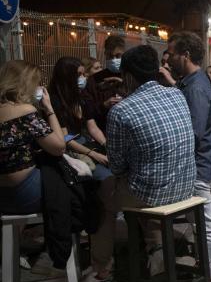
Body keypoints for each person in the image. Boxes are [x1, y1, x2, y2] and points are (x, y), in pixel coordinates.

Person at [80, 45, 195, 282]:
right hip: (186, 188)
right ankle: (158, 260)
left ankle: (102, 268)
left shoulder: (122, 110)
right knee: (146, 185)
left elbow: (118, 165)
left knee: (102, 194)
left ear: (128, 76)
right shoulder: (177, 95)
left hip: (151, 194)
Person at [166, 32, 211, 282]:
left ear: (185, 55)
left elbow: (195, 130)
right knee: (201, 223)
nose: (169, 59)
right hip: (196, 164)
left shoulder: (196, 86)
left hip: (197, 165)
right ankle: (206, 273)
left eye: (172, 54)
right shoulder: (190, 82)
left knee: (204, 224)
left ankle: (209, 280)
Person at [0, 61, 66, 214]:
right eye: (37, 83)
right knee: (70, 183)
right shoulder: (25, 111)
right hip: (24, 194)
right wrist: (49, 108)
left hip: (2, 198)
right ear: (24, 84)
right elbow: (59, 147)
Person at [48, 57, 114, 200]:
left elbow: (93, 127)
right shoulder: (56, 102)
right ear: (67, 77)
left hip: (85, 144)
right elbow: (66, 139)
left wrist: (106, 145)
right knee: (106, 177)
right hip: (71, 151)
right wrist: (94, 154)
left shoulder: (82, 98)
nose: (83, 78)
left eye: (84, 74)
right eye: (79, 75)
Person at [85, 34, 126, 142]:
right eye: (110, 56)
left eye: (118, 56)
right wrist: (103, 105)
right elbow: (87, 110)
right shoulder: (94, 80)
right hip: (104, 134)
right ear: (105, 54)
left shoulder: (132, 77)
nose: (114, 60)